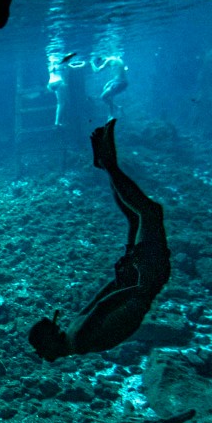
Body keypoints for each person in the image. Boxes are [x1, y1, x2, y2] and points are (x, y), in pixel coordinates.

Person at [29, 119, 170, 360]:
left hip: (138, 282)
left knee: (145, 214)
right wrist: (131, 286)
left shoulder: (75, 335)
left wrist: (122, 284)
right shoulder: (79, 338)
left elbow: (98, 304)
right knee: (145, 214)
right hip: (142, 281)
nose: (56, 324)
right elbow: (102, 306)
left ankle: (107, 163)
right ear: (50, 344)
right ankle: (107, 164)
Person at [47, 52, 85, 128]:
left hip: (50, 85)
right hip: (60, 83)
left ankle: (57, 122)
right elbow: (76, 67)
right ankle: (58, 122)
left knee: (60, 103)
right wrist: (83, 63)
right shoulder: (63, 64)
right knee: (62, 103)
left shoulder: (51, 65)